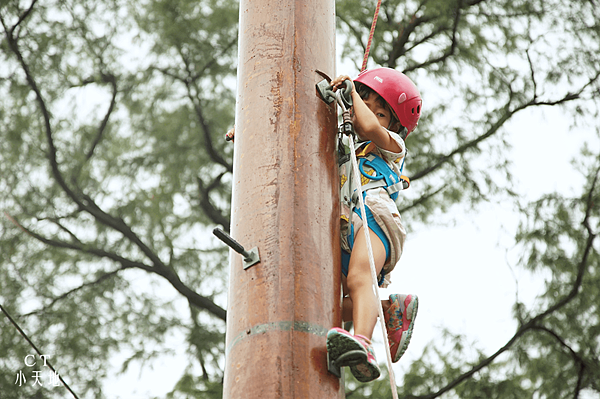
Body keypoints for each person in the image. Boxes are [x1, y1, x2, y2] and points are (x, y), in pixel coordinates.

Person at [326, 68, 421, 383]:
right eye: (365, 103)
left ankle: (364, 344)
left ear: (395, 126)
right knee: (335, 305)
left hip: (375, 215)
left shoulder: (392, 146)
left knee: (359, 278)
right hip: (347, 225)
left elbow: (367, 124)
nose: (368, 113)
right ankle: (389, 309)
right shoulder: (346, 149)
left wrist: (353, 93)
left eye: (380, 112)